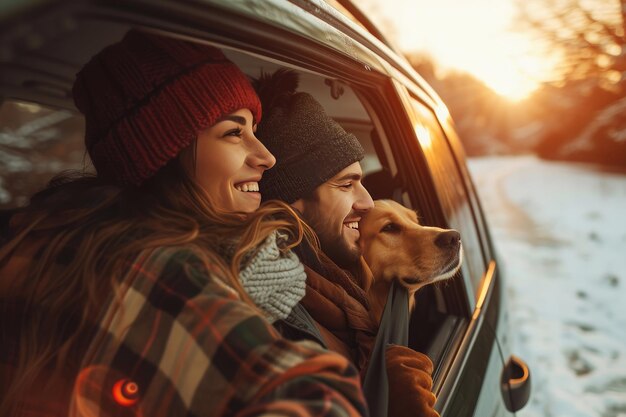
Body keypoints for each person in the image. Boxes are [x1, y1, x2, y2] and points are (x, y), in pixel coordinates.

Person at [0, 31, 368, 417]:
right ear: (163, 154)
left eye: (254, 133)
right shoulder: (158, 268)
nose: (266, 156)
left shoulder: (37, 242)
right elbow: (311, 404)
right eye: (233, 133)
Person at [254, 70, 439, 417]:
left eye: (362, 180)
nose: (368, 201)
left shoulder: (343, 281)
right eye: (346, 184)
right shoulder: (280, 313)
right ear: (293, 200)